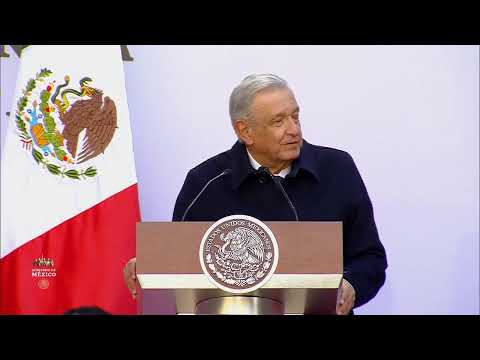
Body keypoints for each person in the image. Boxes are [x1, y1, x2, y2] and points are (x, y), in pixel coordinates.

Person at [124, 73, 387, 315]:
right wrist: (148, 268)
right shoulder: (205, 182)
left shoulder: (337, 169)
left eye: (295, 117)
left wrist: (352, 284)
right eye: (278, 121)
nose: (294, 130)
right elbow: (179, 269)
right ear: (245, 131)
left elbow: (371, 258)